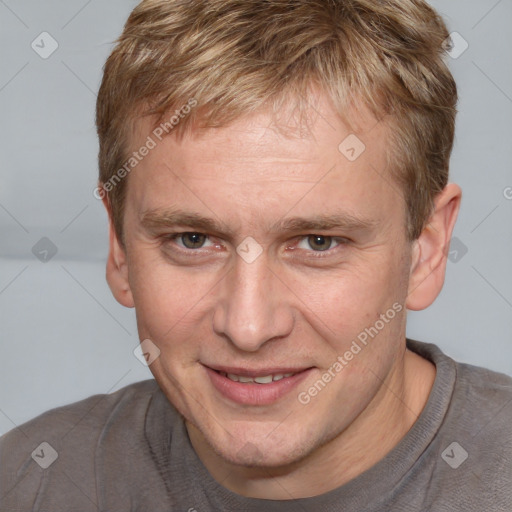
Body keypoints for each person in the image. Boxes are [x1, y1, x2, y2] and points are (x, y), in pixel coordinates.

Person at [1, 0, 511, 510]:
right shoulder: (27, 482)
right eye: (192, 240)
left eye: (318, 243)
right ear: (119, 246)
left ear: (427, 249)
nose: (248, 328)